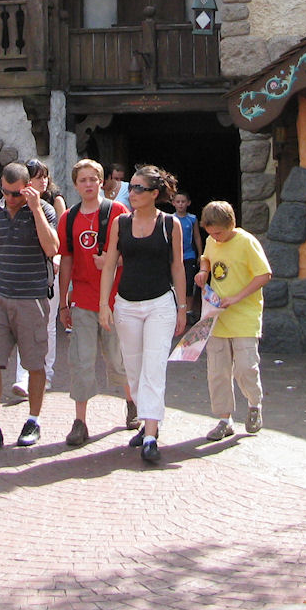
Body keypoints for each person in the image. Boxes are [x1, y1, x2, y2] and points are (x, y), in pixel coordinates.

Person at [0, 161, 60, 450]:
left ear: (27, 188)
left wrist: (36, 208)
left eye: (16, 193)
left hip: (32, 298)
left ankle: (33, 421)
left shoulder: (45, 210)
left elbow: (52, 248)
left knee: (34, 364)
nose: (9, 198)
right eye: (4, 192)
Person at [99, 164, 186, 464]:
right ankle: (148, 417)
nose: (131, 192)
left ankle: (150, 434)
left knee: (154, 367)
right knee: (133, 369)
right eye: (131, 187)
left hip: (160, 303)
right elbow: (110, 265)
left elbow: (177, 267)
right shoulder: (120, 223)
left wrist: (183, 307)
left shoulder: (170, 224)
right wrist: (104, 304)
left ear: (154, 193)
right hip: (126, 305)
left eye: (138, 188)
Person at [57, 158, 139, 446]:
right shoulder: (68, 218)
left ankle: (132, 402)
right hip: (82, 300)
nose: (89, 184)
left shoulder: (118, 212)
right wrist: (63, 301)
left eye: (93, 179)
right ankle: (80, 422)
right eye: (83, 180)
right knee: (80, 360)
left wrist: (114, 262)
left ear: (102, 182)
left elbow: (134, 251)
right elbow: (67, 259)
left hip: (115, 301)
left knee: (117, 358)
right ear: (75, 184)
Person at [195, 201, 272, 440]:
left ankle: (254, 404)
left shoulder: (247, 242)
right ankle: (224, 419)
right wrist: (204, 271)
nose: (215, 237)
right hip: (217, 316)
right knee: (218, 370)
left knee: (246, 366)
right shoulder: (212, 240)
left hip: (244, 316)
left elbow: (264, 274)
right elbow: (206, 257)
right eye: (211, 233)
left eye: (219, 233)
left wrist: (237, 298)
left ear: (231, 225)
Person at [13, 157, 67, 398]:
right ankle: (22, 376)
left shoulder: (55, 201)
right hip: (25, 270)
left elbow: (62, 236)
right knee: (24, 324)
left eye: (44, 176)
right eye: (37, 177)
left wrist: (58, 258)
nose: (42, 181)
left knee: (47, 324)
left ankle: (46, 373)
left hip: (49, 269)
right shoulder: (17, 202)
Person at [172, 192, 204, 321]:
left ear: (188, 203)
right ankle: (177, 310)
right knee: (175, 283)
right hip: (175, 256)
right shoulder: (170, 218)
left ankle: (189, 311)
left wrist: (200, 254)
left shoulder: (192, 219)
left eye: (183, 201)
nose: (180, 204)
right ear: (173, 203)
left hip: (189, 255)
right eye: (178, 202)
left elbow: (196, 236)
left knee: (189, 284)